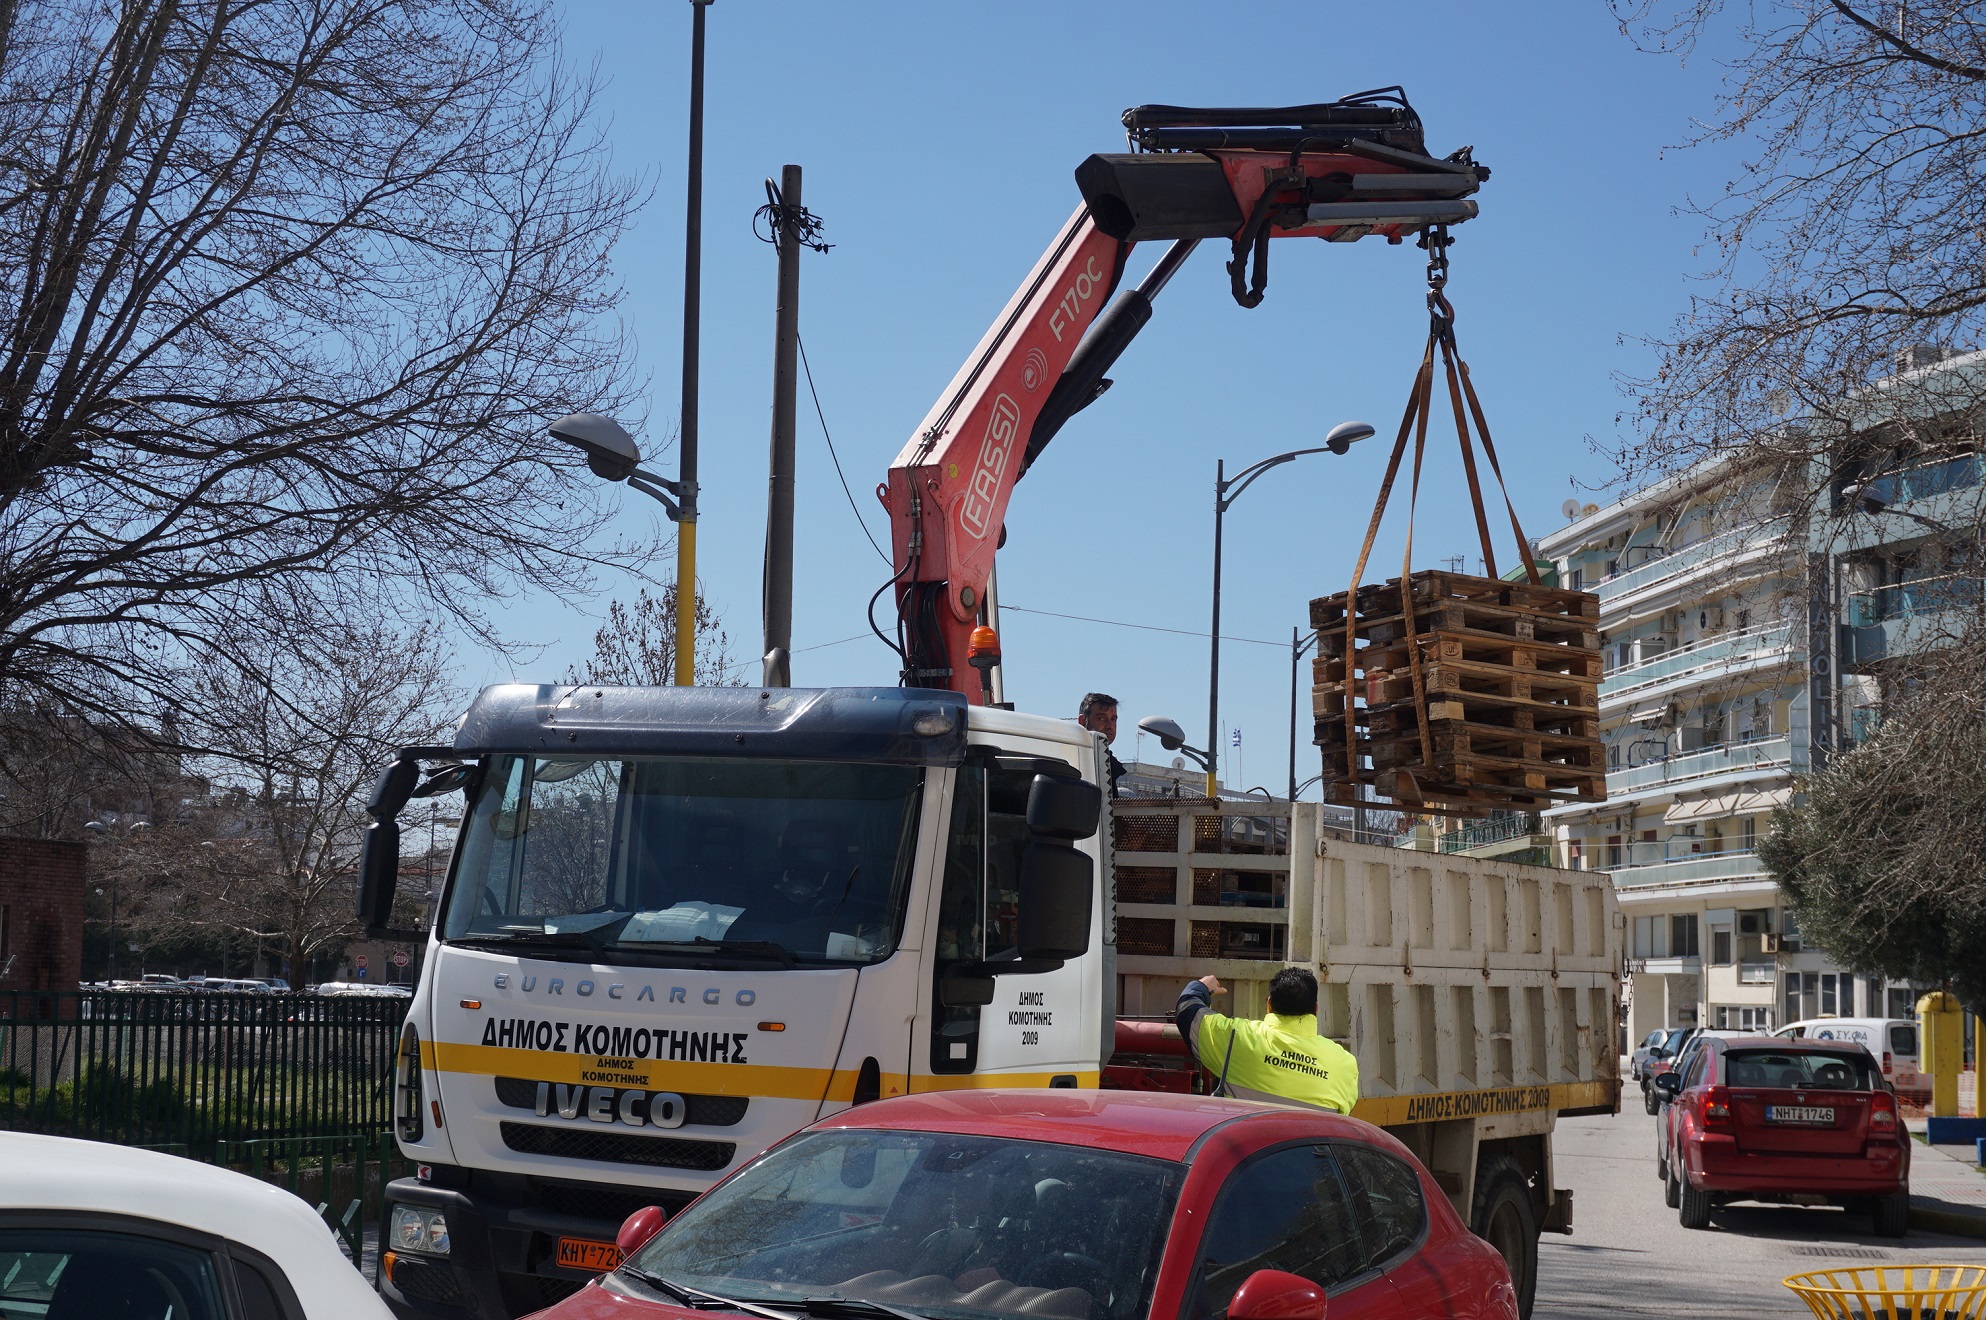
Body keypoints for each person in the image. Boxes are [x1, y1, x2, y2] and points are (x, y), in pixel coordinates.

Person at [1175, 966, 1359, 1114]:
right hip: (1310, 1159)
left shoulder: (1237, 1038)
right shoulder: (1344, 1064)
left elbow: (1188, 1012)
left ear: (1269, 1004)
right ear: (1316, 1009)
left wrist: (1201, 987)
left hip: (1247, 1157)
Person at [1077, 692, 1127, 798]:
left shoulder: (1109, 764)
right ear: (1082, 721)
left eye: (1113, 719)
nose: (1110, 726)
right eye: (1101, 718)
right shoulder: (1074, 761)